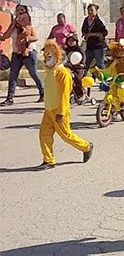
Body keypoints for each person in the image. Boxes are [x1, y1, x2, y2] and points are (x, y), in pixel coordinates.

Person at [37, 40, 93, 170]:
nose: (46, 59)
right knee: (44, 134)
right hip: (49, 109)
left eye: (49, 56)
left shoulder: (63, 73)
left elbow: (64, 95)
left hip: (59, 110)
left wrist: (61, 112)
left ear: (57, 56)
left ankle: (86, 146)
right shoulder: (51, 71)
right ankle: (48, 160)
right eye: (45, 56)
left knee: (66, 135)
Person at [0, 5, 44, 106]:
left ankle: (43, 93)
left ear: (26, 13)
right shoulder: (14, 25)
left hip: (28, 52)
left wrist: (26, 39)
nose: (20, 12)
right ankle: (9, 98)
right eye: (18, 10)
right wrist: (13, 25)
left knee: (33, 73)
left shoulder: (29, 26)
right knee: (13, 75)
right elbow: (5, 36)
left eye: (22, 10)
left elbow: (35, 37)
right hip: (16, 53)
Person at [82, 4, 109, 71]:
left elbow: (104, 32)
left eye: (92, 10)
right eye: (88, 10)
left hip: (99, 46)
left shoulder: (100, 20)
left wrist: (92, 34)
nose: (90, 12)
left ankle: (103, 80)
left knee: (100, 64)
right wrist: (85, 34)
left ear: (96, 11)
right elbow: (83, 30)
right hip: (89, 46)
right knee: (88, 63)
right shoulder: (86, 20)